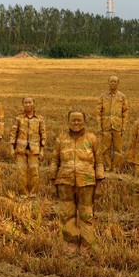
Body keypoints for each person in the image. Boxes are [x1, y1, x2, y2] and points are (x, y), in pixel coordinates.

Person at [50, 108, 104, 256]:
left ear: (84, 122)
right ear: (68, 121)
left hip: (86, 183)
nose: (76, 122)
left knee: (86, 216)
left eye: (79, 120)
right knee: (67, 215)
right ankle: (71, 246)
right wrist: (53, 181)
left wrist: (98, 185)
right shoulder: (61, 139)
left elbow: (99, 162)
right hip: (64, 182)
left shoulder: (92, 139)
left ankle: (87, 249)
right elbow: (54, 161)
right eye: (73, 120)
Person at [8, 96, 47, 198]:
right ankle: (23, 193)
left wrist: (42, 150)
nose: (28, 104)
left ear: (34, 104)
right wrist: (12, 148)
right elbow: (13, 133)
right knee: (21, 172)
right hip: (20, 150)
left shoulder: (39, 119)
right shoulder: (18, 118)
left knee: (35, 172)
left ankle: (33, 193)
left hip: (34, 150)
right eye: (25, 103)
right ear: (23, 104)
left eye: (30, 102)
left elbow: (43, 134)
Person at [97, 76, 128, 172]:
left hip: (117, 126)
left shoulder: (122, 97)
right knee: (106, 148)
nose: (113, 83)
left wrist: (124, 126)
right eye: (111, 81)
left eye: (115, 82)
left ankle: (115, 167)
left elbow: (125, 112)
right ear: (108, 82)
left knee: (118, 149)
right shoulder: (102, 96)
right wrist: (99, 126)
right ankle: (108, 166)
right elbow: (98, 112)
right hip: (106, 126)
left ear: (118, 83)